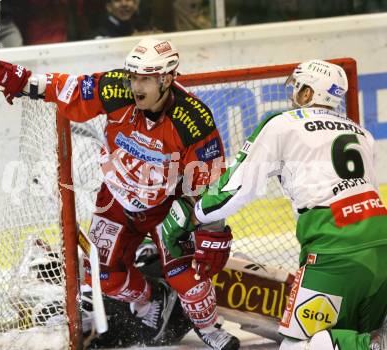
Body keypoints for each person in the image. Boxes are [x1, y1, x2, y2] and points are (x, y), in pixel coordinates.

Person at [0, 38, 240, 350]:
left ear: (167, 79)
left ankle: (209, 328)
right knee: (101, 275)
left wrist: (212, 229)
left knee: (187, 276)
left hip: (165, 207)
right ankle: (150, 301)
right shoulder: (116, 89)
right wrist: (19, 80)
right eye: (133, 76)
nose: (135, 85)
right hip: (115, 198)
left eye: (145, 79)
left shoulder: (193, 119)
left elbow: (209, 182)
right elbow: (68, 88)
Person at [162, 59, 387, 349]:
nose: (293, 95)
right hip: (381, 241)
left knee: (296, 346)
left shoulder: (283, 123)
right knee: (342, 335)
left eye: (298, 88)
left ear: (309, 94)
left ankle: (376, 345)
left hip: (335, 247)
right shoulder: (362, 134)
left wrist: (194, 214)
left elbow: (235, 189)